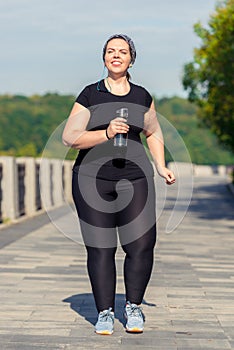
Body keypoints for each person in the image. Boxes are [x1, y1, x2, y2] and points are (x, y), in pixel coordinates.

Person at [62, 34, 175, 335]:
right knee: (101, 246)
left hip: (135, 177)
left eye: (122, 51)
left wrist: (161, 165)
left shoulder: (141, 96)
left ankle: (133, 307)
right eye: (110, 51)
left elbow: (153, 132)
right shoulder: (90, 94)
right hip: (92, 178)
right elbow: (69, 138)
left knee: (141, 244)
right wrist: (105, 134)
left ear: (131, 59)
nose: (116, 55)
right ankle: (104, 312)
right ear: (104, 58)